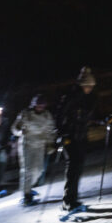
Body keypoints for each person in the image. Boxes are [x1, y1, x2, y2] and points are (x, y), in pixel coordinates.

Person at [56, 67, 98, 211]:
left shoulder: (88, 98)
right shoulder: (71, 96)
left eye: (92, 86)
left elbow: (91, 116)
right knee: (73, 167)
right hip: (70, 137)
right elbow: (60, 115)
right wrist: (62, 133)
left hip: (81, 136)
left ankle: (73, 199)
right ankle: (68, 200)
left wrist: (104, 119)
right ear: (83, 85)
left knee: (78, 167)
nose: (90, 88)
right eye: (88, 86)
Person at [11, 94, 57, 205]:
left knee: (39, 170)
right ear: (33, 105)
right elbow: (14, 128)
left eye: (42, 106)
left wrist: (50, 144)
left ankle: (29, 187)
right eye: (38, 106)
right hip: (27, 145)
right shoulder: (25, 114)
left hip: (40, 145)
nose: (40, 108)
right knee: (27, 170)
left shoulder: (47, 116)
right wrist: (19, 132)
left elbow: (50, 130)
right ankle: (26, 195)